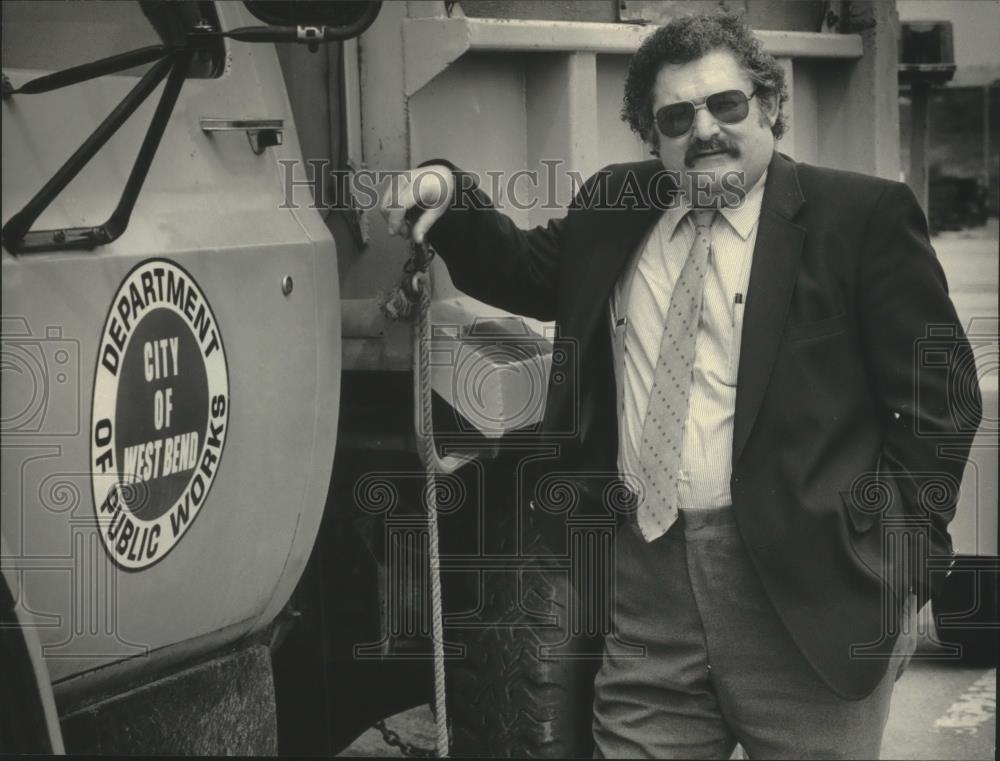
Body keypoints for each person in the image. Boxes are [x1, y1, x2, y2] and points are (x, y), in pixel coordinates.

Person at [382, 11, 982, 759]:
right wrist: (445, 190)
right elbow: (518, 267)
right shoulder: (615, 209)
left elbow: (942, 398)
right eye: (676, 116)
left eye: (725, 105)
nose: (705, 130)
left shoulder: (859, 218)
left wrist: (905, 561)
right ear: (651, 132)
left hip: (808, 595)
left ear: (767, 104)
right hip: (648, 595)